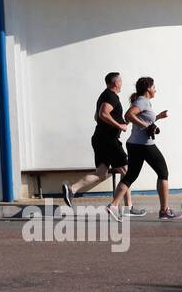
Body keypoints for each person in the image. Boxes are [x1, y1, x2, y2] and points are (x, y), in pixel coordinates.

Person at [62, 72, 144, 215]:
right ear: (115, 83)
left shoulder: (104, 95)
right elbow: (102, 114)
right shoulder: (111, 96)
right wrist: (119, 126)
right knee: (127, 171)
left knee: (101, 173)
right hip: (109, 140)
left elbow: (97, 116)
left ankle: (72, 189)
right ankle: (128, 208)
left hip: (100, 137)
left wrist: (117, 123)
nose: (122, 84)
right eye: (120, 81)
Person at [108, 76, 182, 221]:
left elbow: (142, 119)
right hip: (144, 145)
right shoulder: (142, 101)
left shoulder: (144, 102)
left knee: (130, 176)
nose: (156, 90)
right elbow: (128, 115)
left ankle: (112, 206)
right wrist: (146, 126)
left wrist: (158, 117)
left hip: (135, 144)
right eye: (154, 87)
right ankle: (164, 211)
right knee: (163, 173)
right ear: (148, 88)